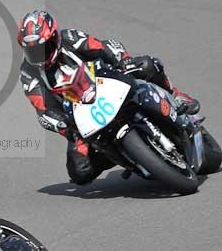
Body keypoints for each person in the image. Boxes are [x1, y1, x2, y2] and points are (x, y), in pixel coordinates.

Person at [17, 10, 200, 185]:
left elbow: (104, 47)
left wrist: (123, 61)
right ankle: (125, 156)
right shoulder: (28, 73)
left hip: (108, 84)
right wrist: (64, 127)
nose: (39, 56)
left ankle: (176, 95)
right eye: (32, 51)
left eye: (44, 48)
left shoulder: (70, 38)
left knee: (147, 65)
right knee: (79, 172)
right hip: (80, 119)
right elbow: (43, 110)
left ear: (55, 37)